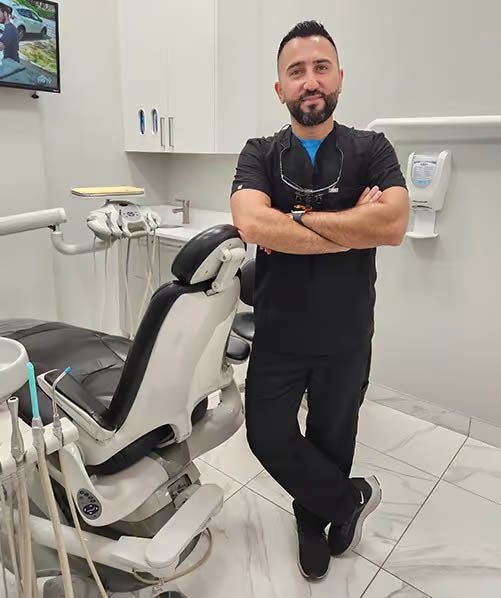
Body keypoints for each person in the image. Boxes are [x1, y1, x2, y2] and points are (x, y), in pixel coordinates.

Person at [230, 21, 409, 581]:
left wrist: (297, 220)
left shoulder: (371, 148)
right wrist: (354, 224)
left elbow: (396, 222)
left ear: (338, 79)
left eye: (320, 67)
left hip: (346, 334)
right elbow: (251, 222)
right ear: (279, 88)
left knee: (333, 439)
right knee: (266, 434)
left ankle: (312, 518)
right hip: (279, 332)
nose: (310, 80)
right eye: (296, 71)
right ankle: (345, 501)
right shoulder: (259, 152)